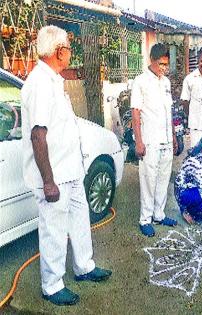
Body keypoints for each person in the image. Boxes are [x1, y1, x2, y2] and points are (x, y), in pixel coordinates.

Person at [21, 25, 111, 306]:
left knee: (80, 221)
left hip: (71, 171)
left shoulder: (54, 80)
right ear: (60, 51)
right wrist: (48, 181)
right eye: (69, 49)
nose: (71, 54)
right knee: (54, 230)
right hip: (55, 176)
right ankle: (52, 284)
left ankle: (84, 266)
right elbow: (38, 134)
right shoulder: (39, 83)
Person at [131, 43, 178, 237]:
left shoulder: (165, 82)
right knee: (148, 181)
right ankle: (145, 218)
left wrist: (174, 136)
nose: (164, 68)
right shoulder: (140, 82)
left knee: (163, 179)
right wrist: (139, 142)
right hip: (149, 141)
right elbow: (135, 113)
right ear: (151, 60)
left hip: (166, 140)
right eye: (161, 64)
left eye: (166, 65)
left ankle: (159, 214)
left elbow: (169, 112)